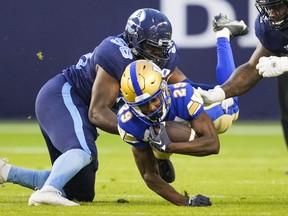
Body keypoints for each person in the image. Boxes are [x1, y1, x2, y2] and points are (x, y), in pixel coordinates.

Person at [0, 9, 247, 206]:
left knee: (79, 191)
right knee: (81, 151)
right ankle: (47, 192)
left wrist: (217, 94)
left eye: (162, 47)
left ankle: (6, 172)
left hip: (86, 109)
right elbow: (96, 112)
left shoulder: (162, 57)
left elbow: (186, 88)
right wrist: (147, 135)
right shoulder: (115, 54)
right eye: (152, 48)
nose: (158, 54)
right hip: (64, 97)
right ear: (134, 41)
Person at [117, 14, 247, 206]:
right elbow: (148, 175)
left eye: (154, 100)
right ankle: (161, 154)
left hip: (187, 113)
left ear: (163, 88)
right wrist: (185, 202)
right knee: (156, 135)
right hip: (162, 128)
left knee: (231, 105)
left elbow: (212, 144)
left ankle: (223, 34)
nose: (152, 107)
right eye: (143, 105)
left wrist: (170, 147)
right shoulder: (127, 122)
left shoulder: (182, 95)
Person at [198, 0, 288, 150]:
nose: (273, 13)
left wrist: (285, 63)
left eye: (277, 6)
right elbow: (252, 68)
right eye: (269, 8)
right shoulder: (268, 28)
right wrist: (219, 93)